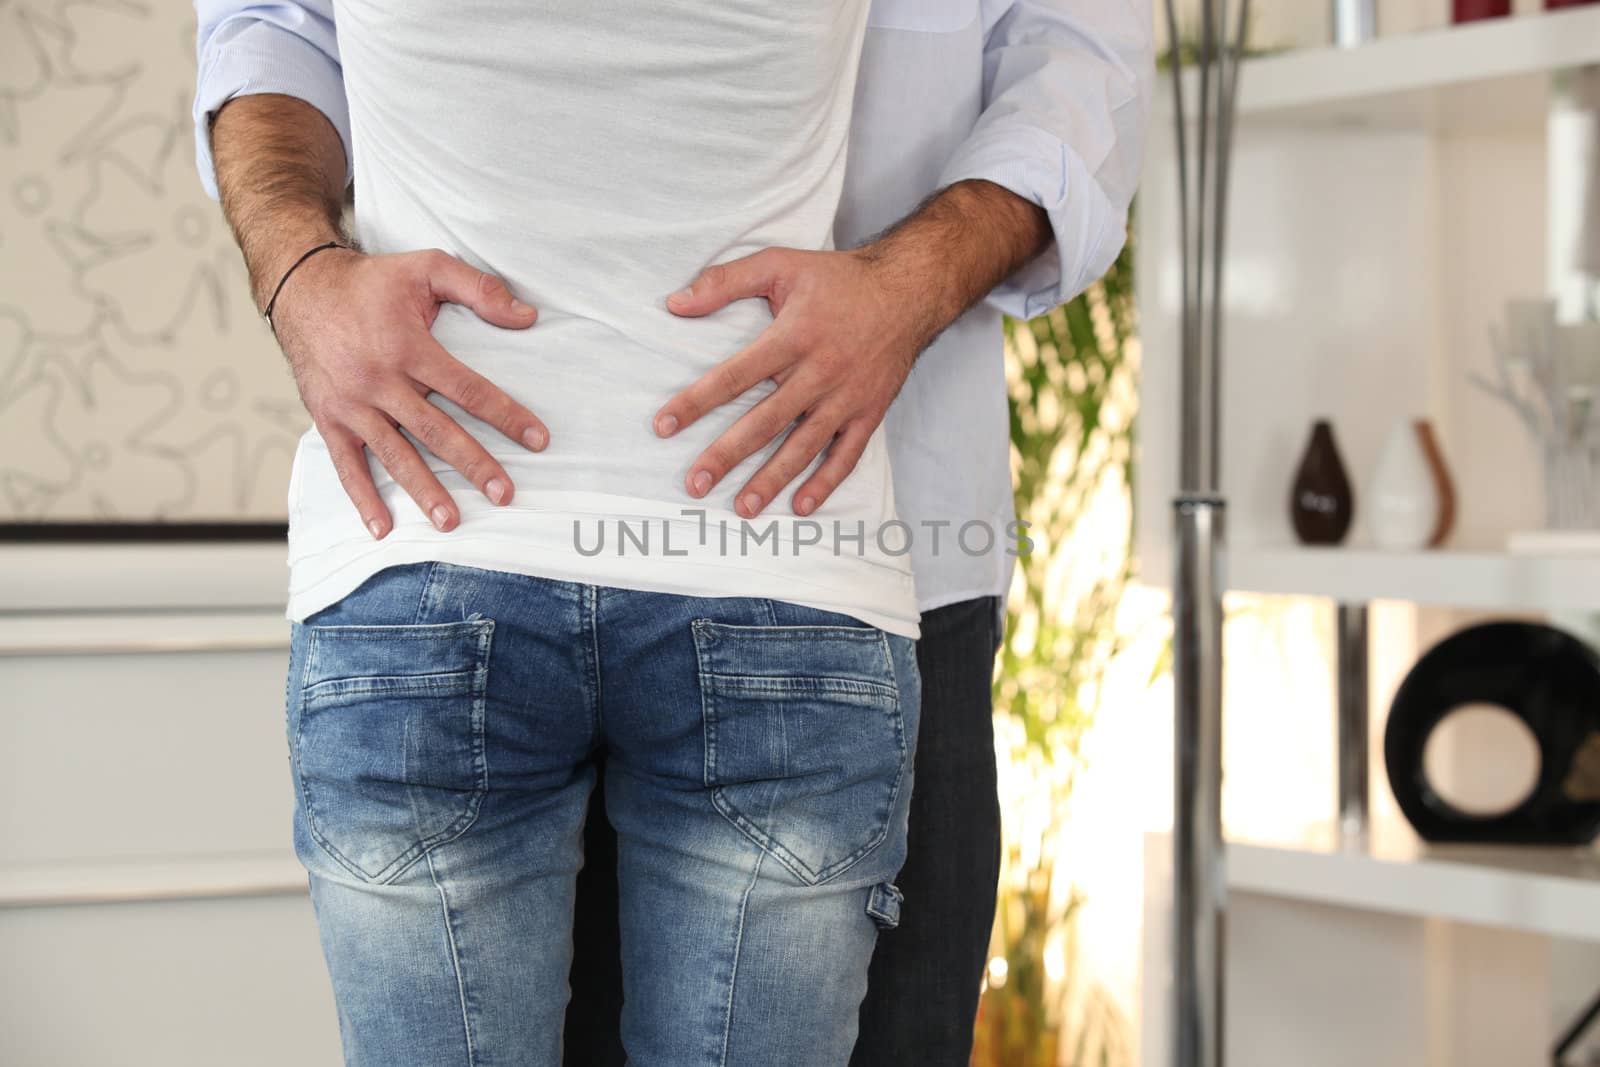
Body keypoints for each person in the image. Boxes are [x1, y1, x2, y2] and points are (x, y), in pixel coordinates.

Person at [192, 1, 1153, 1063]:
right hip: (551, 554)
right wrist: (299, 275)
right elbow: (271, 27)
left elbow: (1081, 64)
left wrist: (908, 282)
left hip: (857, 534)